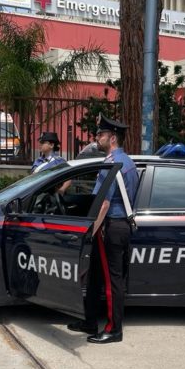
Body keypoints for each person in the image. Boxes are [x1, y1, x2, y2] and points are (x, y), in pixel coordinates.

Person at [68, 114, 138, 344]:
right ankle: (89, 320)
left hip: (110, 227)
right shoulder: (128, 163)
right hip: (118, 226)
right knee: (96, 276)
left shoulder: (111, 164)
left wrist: (88, 231)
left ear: (113, 138)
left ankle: (113, 329)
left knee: (110, 280)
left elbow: (103, 204)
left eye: (101, 134)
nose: (97, 137)